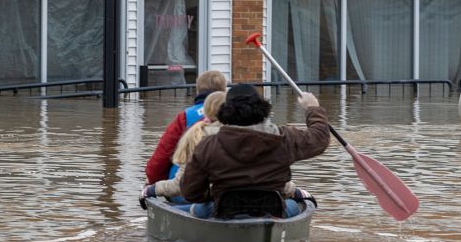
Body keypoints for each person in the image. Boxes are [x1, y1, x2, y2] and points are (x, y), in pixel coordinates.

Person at [180, 84, 330, 218]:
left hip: (225, 211)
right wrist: (312, 107)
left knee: (198, 209)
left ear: (226, 111)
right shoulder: (285, 138)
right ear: (261, 108)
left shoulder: (208, 145)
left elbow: (191, 192)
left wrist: (212, 195)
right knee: (297, 204)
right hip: (273, 210)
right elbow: (319, 139)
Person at [141, 90, 311, 206]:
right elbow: (274, 179)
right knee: (291, 207)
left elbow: (181, 183)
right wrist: (295, 193)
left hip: (218, 204)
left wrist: (151, 188)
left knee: (197, 209)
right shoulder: (260, 137)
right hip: (263, 205)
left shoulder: (199, 136)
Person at [144, 70, 228, 184]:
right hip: (224, 185)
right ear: (224, 91)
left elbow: (163, 153)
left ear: (198, 91)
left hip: (184, 187)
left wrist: (153, 182)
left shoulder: (185, 117)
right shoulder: (235, 114)